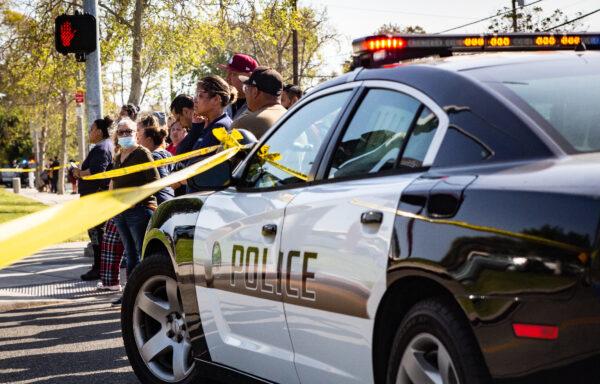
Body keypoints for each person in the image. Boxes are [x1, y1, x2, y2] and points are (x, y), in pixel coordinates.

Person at [111, 117, 160, 299]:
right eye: (121, 132)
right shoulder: (117, 156)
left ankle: (145, 292)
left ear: (136, 134)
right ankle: (130, 295)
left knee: (142, 252)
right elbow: (114, 182)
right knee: (130, 254)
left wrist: (135, 198)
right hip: (121, 212)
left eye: (129, 131)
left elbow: (155, 182)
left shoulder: (142, 153)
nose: (125, 135)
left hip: (140, 210)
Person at [73, 116, 115, 281]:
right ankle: (100, 267)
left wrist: (78, 173)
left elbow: (98, 171)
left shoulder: (101, 148)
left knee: (97, 234)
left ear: (99, 131)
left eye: (91, 129)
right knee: (98, 234)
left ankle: (99, 268)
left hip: (96, 199)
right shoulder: (106, 146)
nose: (89, 132)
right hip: (97, 198)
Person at [184, 75, 238, 193]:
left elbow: (201, 167)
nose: (195, 100)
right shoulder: (208, 126)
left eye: (200, 95)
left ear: (216, 99)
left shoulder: (221, 127)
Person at [231, 66, 287, 139]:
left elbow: (224, 150)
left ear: (255, 91)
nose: (246, 93)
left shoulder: (245, 123)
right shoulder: (293, 116)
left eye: (246, 88)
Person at [138, 115, 174, 204]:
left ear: (149, 140)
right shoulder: (168, 154)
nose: (138, 141)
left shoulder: (154, 157)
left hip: (160, 202)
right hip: (170, 198)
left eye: (138, 131)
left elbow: (162, 181)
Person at [219, 53, 258, 120]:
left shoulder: (258, 107)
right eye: (227, 73)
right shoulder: (222, 102)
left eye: (234, 74)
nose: (227, 78)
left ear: (249, 77)